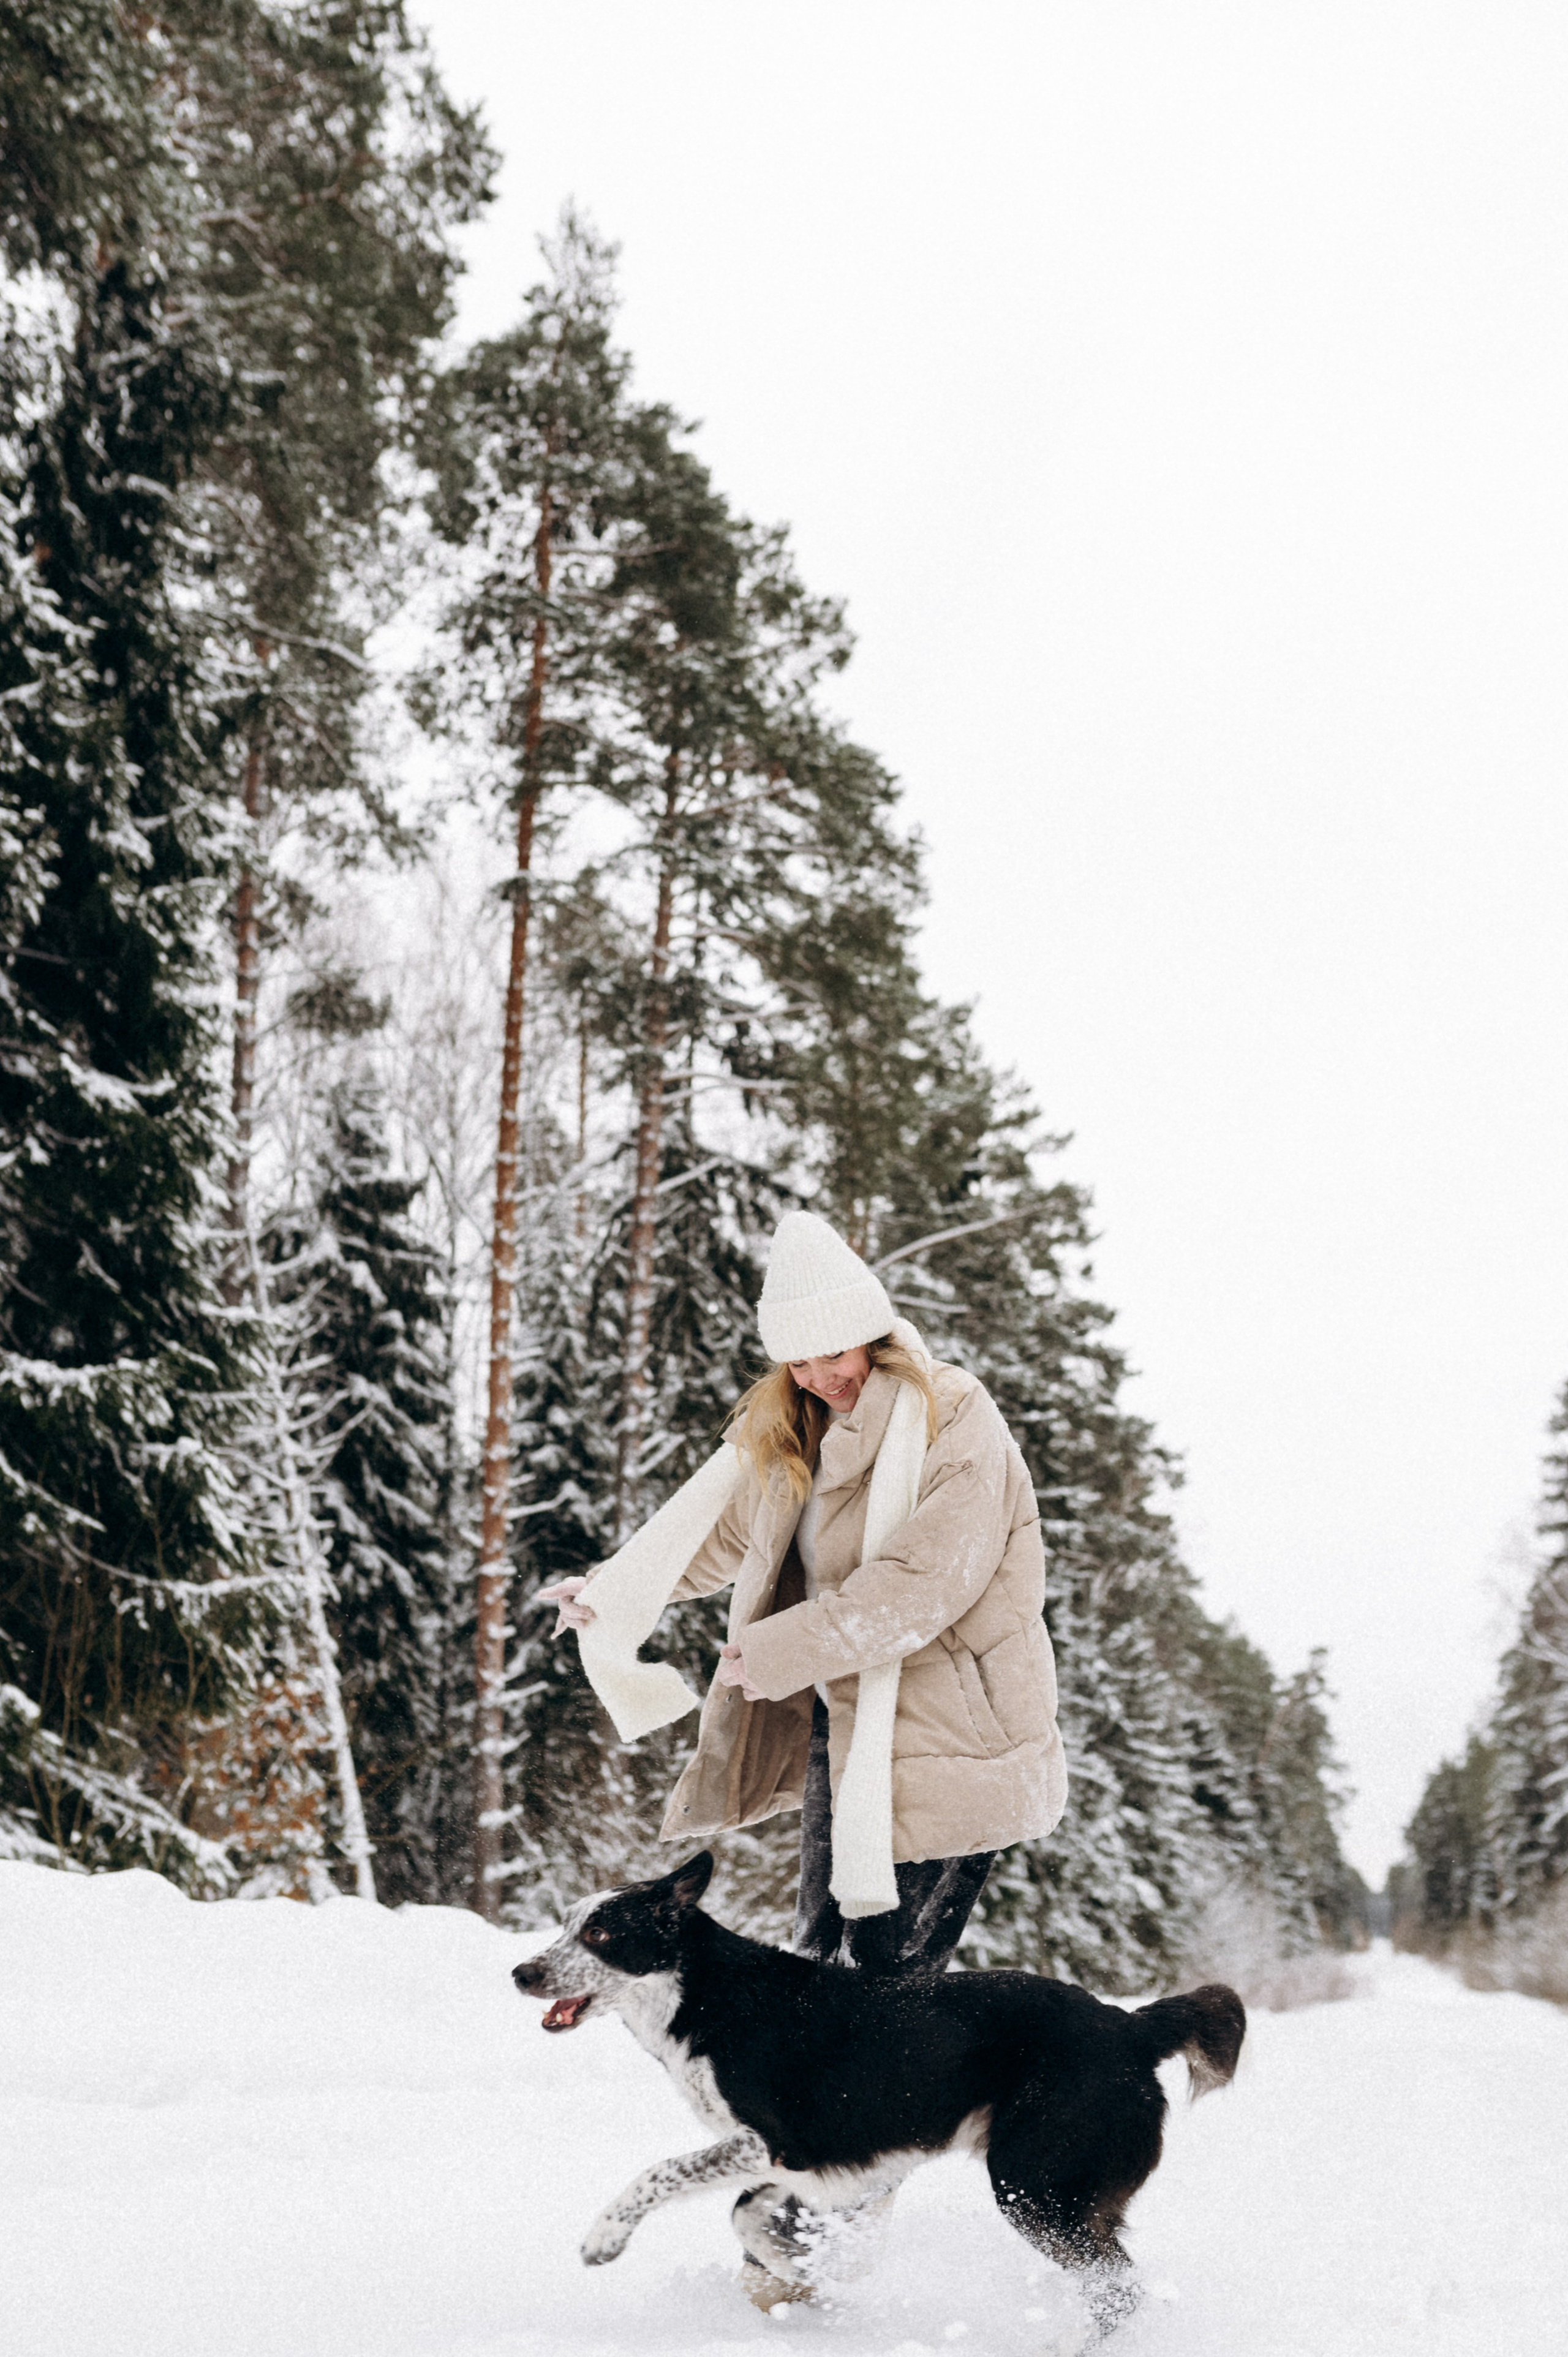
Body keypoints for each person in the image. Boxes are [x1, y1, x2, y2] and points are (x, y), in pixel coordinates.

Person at [540, 1209, 1066, 1977]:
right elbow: (727, 1539)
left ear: (873, 1336)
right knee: (821, 1964)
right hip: (845, 1718)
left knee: (886, 1982)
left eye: (834, 1352)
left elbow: (923, 1584)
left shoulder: (954, 1413)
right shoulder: (800, 1430)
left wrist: (781, 1648)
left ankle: (937, 2100)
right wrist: (616, 1591)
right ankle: (855, 2100)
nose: (822, 1376)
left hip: (951, 1730)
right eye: (800, 1362)